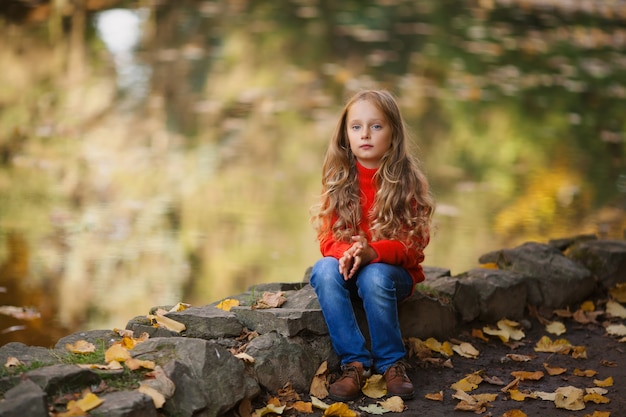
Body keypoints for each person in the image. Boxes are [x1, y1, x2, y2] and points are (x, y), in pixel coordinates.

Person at [309, 89, 434, 401]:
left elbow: (413, 248)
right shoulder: (339, 178)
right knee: (323, 270)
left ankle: (392, 362)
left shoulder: (408, 182)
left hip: (391, 278)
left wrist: (373, 253)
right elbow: (327, 240)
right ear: (345, 135)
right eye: (356, 127)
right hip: (349, 269)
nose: (365, 134)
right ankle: (354, 363)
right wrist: (347, 254)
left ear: (393, 134)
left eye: (376, 126)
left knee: (374, 274)